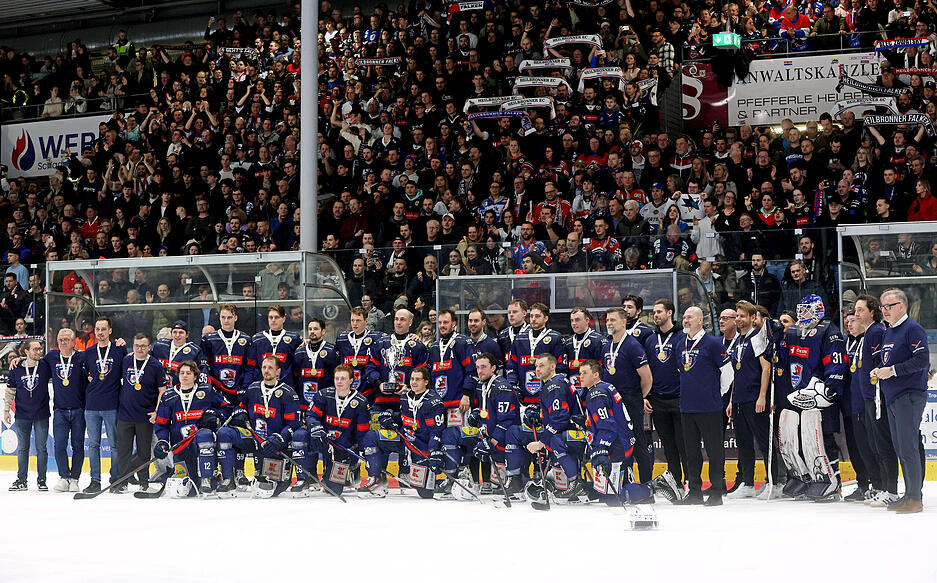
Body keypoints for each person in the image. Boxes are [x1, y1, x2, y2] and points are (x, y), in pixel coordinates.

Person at [580, 359, 679, 504]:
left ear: (596, 375)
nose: (580, 376)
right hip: (621, 440)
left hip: (617, 445)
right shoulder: (606, 387)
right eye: (580, 373)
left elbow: (607, 425)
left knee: (613, 499)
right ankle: (617, 484)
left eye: (585, 373)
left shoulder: (596, 393)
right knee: (607, 492)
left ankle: (656, 485)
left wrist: (601, 447)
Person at [776, 294, 846, 502]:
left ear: (817, 310)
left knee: (823, 438)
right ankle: (809, 478)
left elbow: (835, 362)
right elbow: (785, 359)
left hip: (820, 395)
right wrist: (777, 339)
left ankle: (833, 482)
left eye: (806, 310)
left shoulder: (829, 331)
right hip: (799, 395)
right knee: (800, 438)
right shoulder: (796, 332)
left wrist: (830, 389)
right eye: (800, 310)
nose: (801, 314)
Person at [870, 288, 929, 513]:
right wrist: (879, 371)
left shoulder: (912, 329)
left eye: (889, 306)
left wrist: (892, 371)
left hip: (909, 395)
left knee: (908, 446)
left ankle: (915, 498)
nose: (884, 310)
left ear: (901, 307)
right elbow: (890, 360)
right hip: (894, 396)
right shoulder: (890, 331)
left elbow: (922, 359)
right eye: (883, 307)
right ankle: (909, 495)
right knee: (901, 448)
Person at [505, 354, 588, 503]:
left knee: (555, 440)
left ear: (553, 366)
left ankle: (575, 483)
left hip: (575, 434)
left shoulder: (554, 385)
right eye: (536, 366)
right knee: (516, 432)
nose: (537, 369)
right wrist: (536, 412)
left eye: (541, 365)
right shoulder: (553, 383)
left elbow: (560, 419)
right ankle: (517, 478)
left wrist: (541, 443)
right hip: (568, 430)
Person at [216, 355, 302, 497]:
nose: (266, 371)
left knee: (269, 488)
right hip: (254, 437)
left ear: (278, 371)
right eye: (264, 367)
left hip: (274, 442)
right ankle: (228, 479)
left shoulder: (288, 393)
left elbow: (294, 424)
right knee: (225, 433)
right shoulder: (253, 388)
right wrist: (239, 412)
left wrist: (281, 437)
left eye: (270, 368)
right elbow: (241, 406)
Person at [674, 306, 732, 506]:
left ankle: (716, 491)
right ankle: (695, 491)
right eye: (684, 317)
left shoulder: (713, 343)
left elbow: (728, 372)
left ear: (700, 320)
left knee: (714, 451)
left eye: (689, 317)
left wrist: (718, 393)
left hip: (709, 407)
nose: (685, 320)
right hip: (687, 407)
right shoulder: (680, 344)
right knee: (691, 452)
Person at [440, 352, 519, 497]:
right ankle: (459, 479)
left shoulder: (502, 387)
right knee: (451, 435)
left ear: (493, 368)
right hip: (486, 434)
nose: (480, 371)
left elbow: (506, 420)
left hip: (503, 440)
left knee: (484, 449)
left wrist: (492, 442)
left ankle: (511, 481)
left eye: (484, 367)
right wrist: (477, 413)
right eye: (477, 367)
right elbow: (485, 409)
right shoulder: (480, 385)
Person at [360, 366, 446, 499]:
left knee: (425, 493)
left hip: (420, 447)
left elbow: (436, 431)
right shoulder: (406, 396)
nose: (413, 382)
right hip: (403, 439)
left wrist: (434, 452)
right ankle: (377, 479)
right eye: (412, 379)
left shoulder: (433, 402)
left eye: (418, 379)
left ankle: (440, 481)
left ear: (426, 382)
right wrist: (390, 416)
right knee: (372, 437)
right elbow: (405, 416)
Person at [849, 295, 899, 506]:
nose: (856, 314)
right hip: (868, 398)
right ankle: (881, 487)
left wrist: (876, 394)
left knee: (882, 445)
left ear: (872, 312)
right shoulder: (867, 335)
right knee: (874, 445)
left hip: (876, 398)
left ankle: (889, 489)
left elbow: (882, 363)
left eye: (860, 310)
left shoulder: (876, 331)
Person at [152, 361, 229, 496]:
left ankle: (207, 478)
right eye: (182, 373)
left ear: (195, 376)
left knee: (204, 435)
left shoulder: (206, 391)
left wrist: (215, 415)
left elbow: (225, 407)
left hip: (201, 444)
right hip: (180, 446)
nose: (185, 376)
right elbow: (161, 423)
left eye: (189, 373)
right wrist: (163, 441)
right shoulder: (168, 396)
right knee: (188, 491)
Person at [726, 302, 778, 498]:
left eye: (742, 316)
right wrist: (731, 400)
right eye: (737, 316)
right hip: (739, 398)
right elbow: (735, 373)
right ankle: (748, 483)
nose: (739, 319)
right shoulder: (738, 340)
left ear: (751, 317)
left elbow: (766, 368)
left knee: (764, 442)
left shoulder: (758, 338)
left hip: (754, 397)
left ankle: (773, 482)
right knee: (744, 442)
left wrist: (762, 396)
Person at [292, 364, 369, 496]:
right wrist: (316, 429)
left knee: (333, 489)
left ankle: (351, 470)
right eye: (337, 378)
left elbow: (362, 432)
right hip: (323, 440)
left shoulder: (360, 402)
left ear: (351, 380)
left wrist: (360, 450)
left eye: (343, 378)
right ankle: (303, 479)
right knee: (300, 435)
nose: (339, 382)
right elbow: (311, 416)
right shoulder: (323, 395)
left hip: (343, 447)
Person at [601, 307, 653, 483]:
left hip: (630, 399)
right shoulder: (607, 345)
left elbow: (647, 378)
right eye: (607, 320)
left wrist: (637, 397)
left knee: (637, 442)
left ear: (623, 322)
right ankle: (624, 482)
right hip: (612, 401)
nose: (609, 323)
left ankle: (646, 484)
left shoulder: (633, 345)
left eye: (613, 320)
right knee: (618, 443)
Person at [115, 333, 167, 493]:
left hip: (145, 416)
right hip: (125, 415)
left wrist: (156, 412)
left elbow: (162, 390)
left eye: (143, 346)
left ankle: (144, 482)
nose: (140, 349)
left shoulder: (156, 365)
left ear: (149, 348)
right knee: (123, 451)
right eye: (137, 346)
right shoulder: (126, 361)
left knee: (144, 453)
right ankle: (122, 482)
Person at [643, 299, 686, 488]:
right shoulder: (651, 339)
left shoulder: (682, 337)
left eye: (659, 311)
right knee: (668, 446)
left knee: (683, 444)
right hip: (657, 400)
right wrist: (645, 395)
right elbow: (645, 370)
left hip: (679, 398)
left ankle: (692, 483)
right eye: (654, 312)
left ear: (670, 313)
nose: (656, 315)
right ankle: (676, 482)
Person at [82, 316, 127, 492]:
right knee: (93, 445)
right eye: (97, 329)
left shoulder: (119, 349)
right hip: (91, 405)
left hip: (112, 405)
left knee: (115, 445)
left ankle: (115, 480)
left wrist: (124, 343)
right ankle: (95, 481)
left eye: (103, 329)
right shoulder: (89, 351)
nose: (100, 332)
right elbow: (85, 372)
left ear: (110, 331)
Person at [4, 339, 50, 491]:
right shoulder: (16, 368)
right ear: (26, 352)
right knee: (23, 449)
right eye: (35, 349)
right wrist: (6, 410)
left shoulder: (45, 365)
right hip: (22, 415)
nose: (39, 351)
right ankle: (21, 480)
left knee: (41, 448)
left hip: (41, 414)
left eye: (40, 349)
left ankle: (42, 480)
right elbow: (10, 390)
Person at [44, 328, 86, 493]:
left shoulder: (82, 357)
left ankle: (75, 478)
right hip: (60, 410)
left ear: (74, 342)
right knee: (59, 445)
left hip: (78, 410)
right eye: (60, 339)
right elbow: (34, 361)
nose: (62, 342)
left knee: (78, 445)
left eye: (66, 340)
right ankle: (64, 477)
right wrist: (19, 359)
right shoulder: (52, 357)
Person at [366, 308, 428, 412]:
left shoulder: (417, 346)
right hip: (382, 400)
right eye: (396, 319)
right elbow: (371, 367)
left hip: (409, 400)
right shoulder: (381, 343)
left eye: (402, 319)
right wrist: (379, 383)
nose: (398, 322)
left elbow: (424, 373)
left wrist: (409, 386)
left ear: (410, 322)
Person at [506, 302, 565, 408]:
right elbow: (512, 366)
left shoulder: (555, 338)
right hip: (524, 396)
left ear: (546, 318)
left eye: (537, 316)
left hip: (548, 395)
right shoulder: (519, 338)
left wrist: (554, 388)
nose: (533, 319)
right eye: (531, 316)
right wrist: (513, 386)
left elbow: (561, 367)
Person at [429, 309, 477, 427]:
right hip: (439, 404)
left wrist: (466, 395)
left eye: (445, 322)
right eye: (440, 323)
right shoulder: (434, 346)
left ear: (453, 323)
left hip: (459, 403)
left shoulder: (463, 342)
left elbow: (472, 371)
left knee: (457, 439)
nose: (442, 326)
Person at [201, 304, 252, 398]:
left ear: (235, 318)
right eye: (223, 317)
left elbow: (249, 368)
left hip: (238, 390)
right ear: (219, 317)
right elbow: (204, 366)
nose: (226, 321)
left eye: (229, 317)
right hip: (216, 391)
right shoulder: (209, 340)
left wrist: (245, 387)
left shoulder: (245, 340)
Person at [334, 306, 383, 400]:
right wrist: (309, 342)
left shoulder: (376, 338)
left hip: (368, 392)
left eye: (358, 320)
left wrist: (412, 336)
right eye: (352, 320)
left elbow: (394, 341)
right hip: (346, 392)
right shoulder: (342, 339)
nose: (355, 323)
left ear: (366, 321)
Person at [247, 305, 301, 389]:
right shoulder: (257, 340)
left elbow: (298, 366)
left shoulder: (294, 339)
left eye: (276, 317)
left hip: (286, 387)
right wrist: (247, 386)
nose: (273, 320)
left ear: (283, 319)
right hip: (262, 387)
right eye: (270, 317)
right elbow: (250, 367)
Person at [294, 318, 339, 410]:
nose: (312, 331)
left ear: (323, 331)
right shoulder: (299, 352)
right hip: (303, 403)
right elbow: (295, 376)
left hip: (324, 403)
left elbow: (335, 377)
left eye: (315, 329)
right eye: (310, 329)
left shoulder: (331, 351)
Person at [151, 320, 208, 387]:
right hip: (158, 390)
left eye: (181, 332)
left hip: (181, 392)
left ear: (187, 335)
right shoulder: (159, 346)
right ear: (171, 333)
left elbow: (201, 374)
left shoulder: (195, 351)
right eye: (175, 332)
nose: (177, 335)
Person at [563, 307, 606, 393]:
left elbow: (602, 370)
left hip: (592, 391)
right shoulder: (568, 343)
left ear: (587, 320)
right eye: (572, 320)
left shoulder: (598, 341)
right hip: (573, 390)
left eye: (577, 320)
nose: (574, 323)